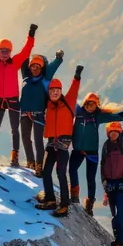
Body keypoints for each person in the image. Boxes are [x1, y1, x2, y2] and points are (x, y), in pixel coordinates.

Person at [0, 18, 36, 165]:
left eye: (6, 51)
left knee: (14, 129)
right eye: (2, 50)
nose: (4, 53)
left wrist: (31, 35)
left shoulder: (15, 63)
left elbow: (26, 51)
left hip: (12, 98)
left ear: (10, 52)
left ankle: (15, 158)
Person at [70, 92, 123, 215]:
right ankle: (74, 194)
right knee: (72, 169)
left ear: (96, 105)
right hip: (78, 150)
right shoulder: (79, 111)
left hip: (91, 152)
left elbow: (111, 117)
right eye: (88, 103)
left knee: (90, 178)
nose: (89, 106)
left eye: (92, 104)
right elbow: (70, 101)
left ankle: (90, 203)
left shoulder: (98, 116)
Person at [36, 65, 83, 217]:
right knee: (46, 170)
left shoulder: (68, 101)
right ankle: (50, 199)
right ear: (49, 92)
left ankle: (64, 205)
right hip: (51, 142)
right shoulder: (48, 104)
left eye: (57, 90)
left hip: (63, 144)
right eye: (52, 90)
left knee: (61, 173)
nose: (55, 92)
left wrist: (77, 76)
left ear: (61, 91)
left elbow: (74, 88)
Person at [20, 50, 64, 175]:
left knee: (38, 140)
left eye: (38, 66)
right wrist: (29, 39)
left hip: (39, 113)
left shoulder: (45, 79)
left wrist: (58, 58)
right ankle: (30, 162)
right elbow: (23, 57)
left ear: (41, 68)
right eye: (33, 66)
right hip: (24, 113)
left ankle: (39, 165)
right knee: (25, 137)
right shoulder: (26, 76)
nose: (35, 68)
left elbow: (52, 68)